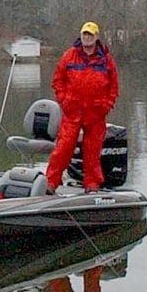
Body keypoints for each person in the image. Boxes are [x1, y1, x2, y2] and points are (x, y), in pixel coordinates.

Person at [45, 21, 119, 193]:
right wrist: (64, 101)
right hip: (73, 112)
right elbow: (57, 80)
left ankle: (92, 186)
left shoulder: (106, 59)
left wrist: (107, 105)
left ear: (96, 37)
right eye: (84, 34)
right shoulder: (70, 56)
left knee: (92, 152)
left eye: (90, 35)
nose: (87, 38)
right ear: (80, 36)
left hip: (96, 113)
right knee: (63, 149)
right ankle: (50, 183)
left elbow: (114, 87)